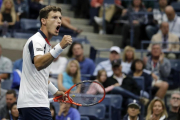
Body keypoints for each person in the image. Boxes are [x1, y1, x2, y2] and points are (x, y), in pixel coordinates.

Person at [17, 6, 72, 120]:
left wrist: (55, 91)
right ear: (43, 20)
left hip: (30, 104)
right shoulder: (37, 40)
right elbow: (38, 64)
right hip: (35, 104)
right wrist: (60, 47)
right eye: (54, 17)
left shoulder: (46, 44)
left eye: (60, 18)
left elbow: (40, 76)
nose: (59, 21)